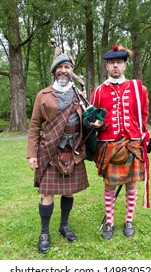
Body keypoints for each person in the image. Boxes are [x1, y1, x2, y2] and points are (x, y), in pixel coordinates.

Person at [27, 50, 103, 253]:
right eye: (59, 67)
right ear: (54, 72)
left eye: (67, 67)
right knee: (47, 193)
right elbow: (35, 126)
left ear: (71, 71)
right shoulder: (43, 95)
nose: (63, 71)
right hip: (50, 148)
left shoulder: (80, 94)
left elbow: (86, 119)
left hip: (73, 149)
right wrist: (32, 154)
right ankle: (44, 232)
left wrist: (94, 122)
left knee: (69, 191)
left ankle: (64, 225)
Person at [90, 44, 150, 240]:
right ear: (107, 67)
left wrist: (143, 136)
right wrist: (94, 123)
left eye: (119, 63)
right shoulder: (98, 91)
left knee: (132, 185)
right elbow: (91, 116)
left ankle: (129, 220)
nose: (115, 66)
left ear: (125, 66)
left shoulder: (138, 89)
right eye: (111, 63)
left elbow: (144, 115)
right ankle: (110, 222)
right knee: (109, 186)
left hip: (132, 144)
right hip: (109, 145)